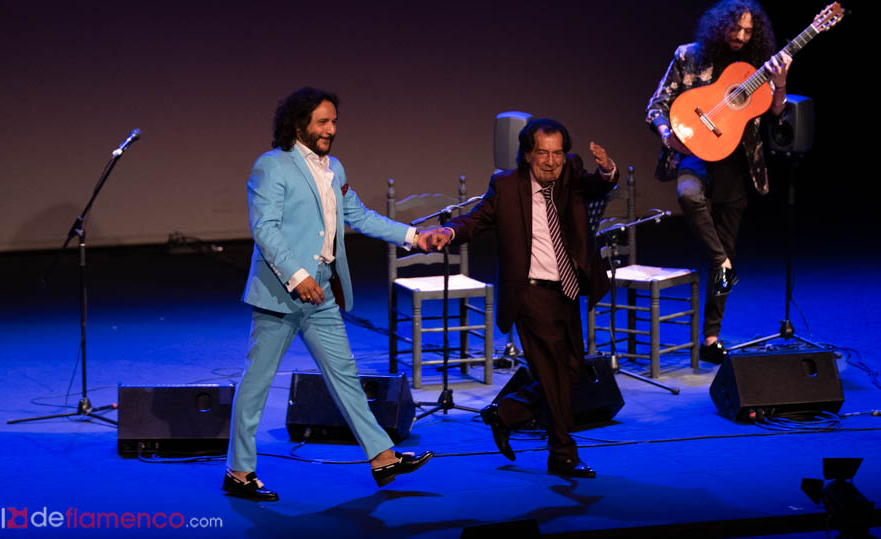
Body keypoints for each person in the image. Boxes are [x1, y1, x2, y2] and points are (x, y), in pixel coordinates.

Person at [224, 87, 435, 501]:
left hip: (321, 292)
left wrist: (415, 236)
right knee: (257, 383)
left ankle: (382, 456)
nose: (331, 129)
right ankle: (238, 472)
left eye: (334, 121)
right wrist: (297, 275)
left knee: (346, 377)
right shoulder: (272, 166)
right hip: (281, 293)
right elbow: (265, 229)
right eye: (323, 121)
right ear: (299, 123)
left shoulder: (333, 168)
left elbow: (359, 215)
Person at [423, 118, 617, 478]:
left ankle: (507, 412)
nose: (551, 161)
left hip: (568, 288)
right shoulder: (507, 185)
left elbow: (596, 186)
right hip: (529, 292)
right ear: (527, 155)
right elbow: (477, 220)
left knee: (573, 371)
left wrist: (607, 170)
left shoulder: (571, 173)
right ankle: (563, 453)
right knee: (556, 373)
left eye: (558, 153)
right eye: (543, 153)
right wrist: (449, 231)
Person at [645, 0, 791, 365]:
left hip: (737, 166)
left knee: (727, 248)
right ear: (719, 24)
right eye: (735, 28)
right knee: (689, 196)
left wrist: (780, 83)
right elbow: (656, 106)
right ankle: (721, 260)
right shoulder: (688, 56)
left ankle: (711, 339)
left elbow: (774, 115)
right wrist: (666, 134)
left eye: (748, 30)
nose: (741, 36)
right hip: (695, 156)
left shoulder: (758, 67)